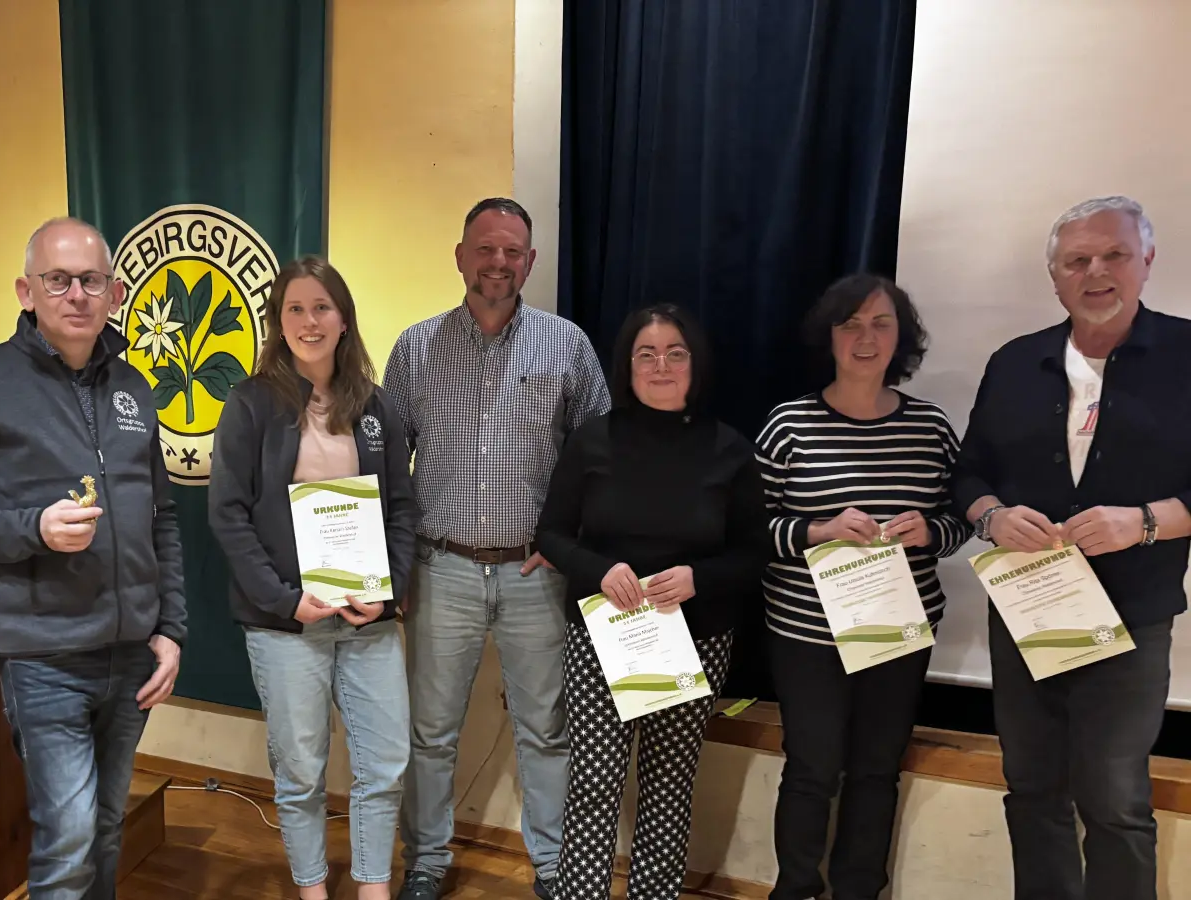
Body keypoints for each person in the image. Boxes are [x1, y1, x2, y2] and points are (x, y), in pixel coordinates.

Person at [0, 217, 187, 900]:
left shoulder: (133, 386)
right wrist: (32, 528)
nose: (76, 295)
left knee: (105, 830)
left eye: (91, 280)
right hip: (45, 658)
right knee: (66, 840)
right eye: (57, 280)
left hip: (131, 655)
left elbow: (164, 517)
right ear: (26, 292)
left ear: (115, 292)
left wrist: (172, 631)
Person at [956, 195, 1191, 900]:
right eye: (1076, 260)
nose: (1095, 272)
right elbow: (968, 472)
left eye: (1113, 254)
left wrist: (1145, 522)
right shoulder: (1014, 361)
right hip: (1027, 609)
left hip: (1133, 616)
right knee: (1031, 790)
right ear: (1054, 277)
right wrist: (992, 517)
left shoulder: (1188, 356)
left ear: (1146, 260)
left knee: (1114, 803)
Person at [384, 198, 612, 900]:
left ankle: (552, 867)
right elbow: (390, 466)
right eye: (486, 249)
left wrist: (568, 543)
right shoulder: (415, 347)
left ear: (531, 262)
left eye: (513, 251)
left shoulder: (567, 344)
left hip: (533, 572)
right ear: (460, 256)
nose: (499, 263)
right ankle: (426, 862)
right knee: (430, 731)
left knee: (545, 727)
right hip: (440, 565)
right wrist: (393, 570)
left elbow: (599, 455)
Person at [536, 304, 768, 900]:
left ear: (696, 364)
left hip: (696, 637)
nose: (660, 365)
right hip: (601, 638)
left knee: (668, 786)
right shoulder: (592, 441)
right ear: (627, 366)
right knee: (594, 783)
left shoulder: (731, 451)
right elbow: (552, 534)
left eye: (675, 353)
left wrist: (699, 578)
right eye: (646, 353)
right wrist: (600, 568)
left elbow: (752, 554)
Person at [754, 274, 972, 900]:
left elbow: (963, 521)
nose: (865, 337)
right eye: (850, 323)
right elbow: (751, 529)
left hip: (899, 630)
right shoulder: (789, 423)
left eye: (881, 324)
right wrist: (817, 529)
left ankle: (858, 891)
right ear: (829, 336)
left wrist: (929, 531)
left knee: (877, 772)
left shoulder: (930, 428)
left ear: (901, 338)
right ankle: (795, 890)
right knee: (812, 771)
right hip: (806, 633)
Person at [208, 255, 418, 900]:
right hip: (286, 624)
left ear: (345, 319)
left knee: (385, 762)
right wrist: (284, 599)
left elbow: (402, 510)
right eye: (295, 308)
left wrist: (386, 597)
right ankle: (311, 889)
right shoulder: (249, 403)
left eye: (322, 307)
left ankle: (373, 886)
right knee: (300, 771)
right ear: (278, 321)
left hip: (366, 620)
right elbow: (228, 515)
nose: (309, 321)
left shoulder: (375, 404)